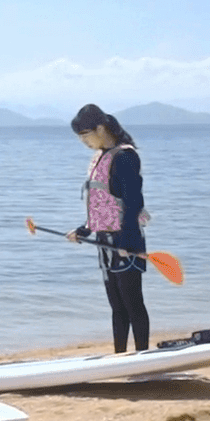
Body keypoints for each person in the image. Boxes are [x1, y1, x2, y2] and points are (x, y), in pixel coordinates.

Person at [66, 104, 151, 353]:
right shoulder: (100, 157)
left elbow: (134, 201)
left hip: (127, 241)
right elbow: (102, 205)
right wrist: (84, 230)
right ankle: (120, 355)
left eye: (85, 135)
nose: (83, 141)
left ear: (100, 128)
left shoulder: (125, 156)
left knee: (133, 303)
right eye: (79, 137)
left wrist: (129, 241)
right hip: (105, 242)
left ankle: (143, 354)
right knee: (117, 306)